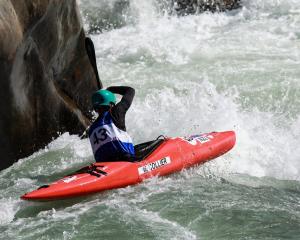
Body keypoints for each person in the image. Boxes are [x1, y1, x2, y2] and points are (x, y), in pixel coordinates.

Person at [88, 86, 135, 162]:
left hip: (105, 166)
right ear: (111, 104)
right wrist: (111, 89)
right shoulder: (116, 112)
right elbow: (130, 90)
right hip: (125, 161)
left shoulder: (91, 129)